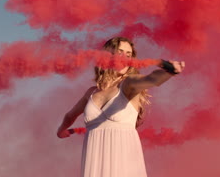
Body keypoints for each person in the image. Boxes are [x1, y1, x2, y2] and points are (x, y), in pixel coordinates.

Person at [56, 37, 185, 177]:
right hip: (94, 162)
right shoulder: (91, 92)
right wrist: (61, 130)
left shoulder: (128, 84)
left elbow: (151, 80)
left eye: (129, 55)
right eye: (120, 52)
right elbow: (70, 116)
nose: (124, 58)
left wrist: (169, 72)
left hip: (123, 162)